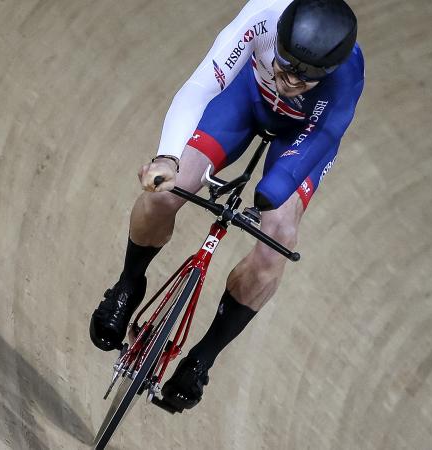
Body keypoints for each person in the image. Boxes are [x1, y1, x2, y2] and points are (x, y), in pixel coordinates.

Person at [89, 0, 364, 412]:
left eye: (303, 80)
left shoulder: (348, 73)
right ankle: (129, 283)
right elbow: (202, 85)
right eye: (284, 66)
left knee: (277, 240)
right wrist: (167, 157)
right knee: (165, 191)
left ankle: (204, 357)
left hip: (301, 139)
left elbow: (323, 136)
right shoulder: (262, 17)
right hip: (245, 99)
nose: (288, 82)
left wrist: (274, 191)